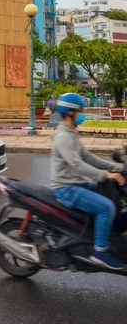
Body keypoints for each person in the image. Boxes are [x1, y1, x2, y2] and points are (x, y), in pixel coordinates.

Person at [51, 92, 126, 270]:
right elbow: (77, 165)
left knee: (110, 189)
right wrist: (105, 175)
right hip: (66, 188)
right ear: (70, 113)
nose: (82, 114)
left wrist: (113, 168)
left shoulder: (71, 134)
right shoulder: (63, 137)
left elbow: (88, 157)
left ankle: (99, 233)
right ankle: (99, 252)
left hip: (77, 182)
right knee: (106, 207)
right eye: (80, 110)